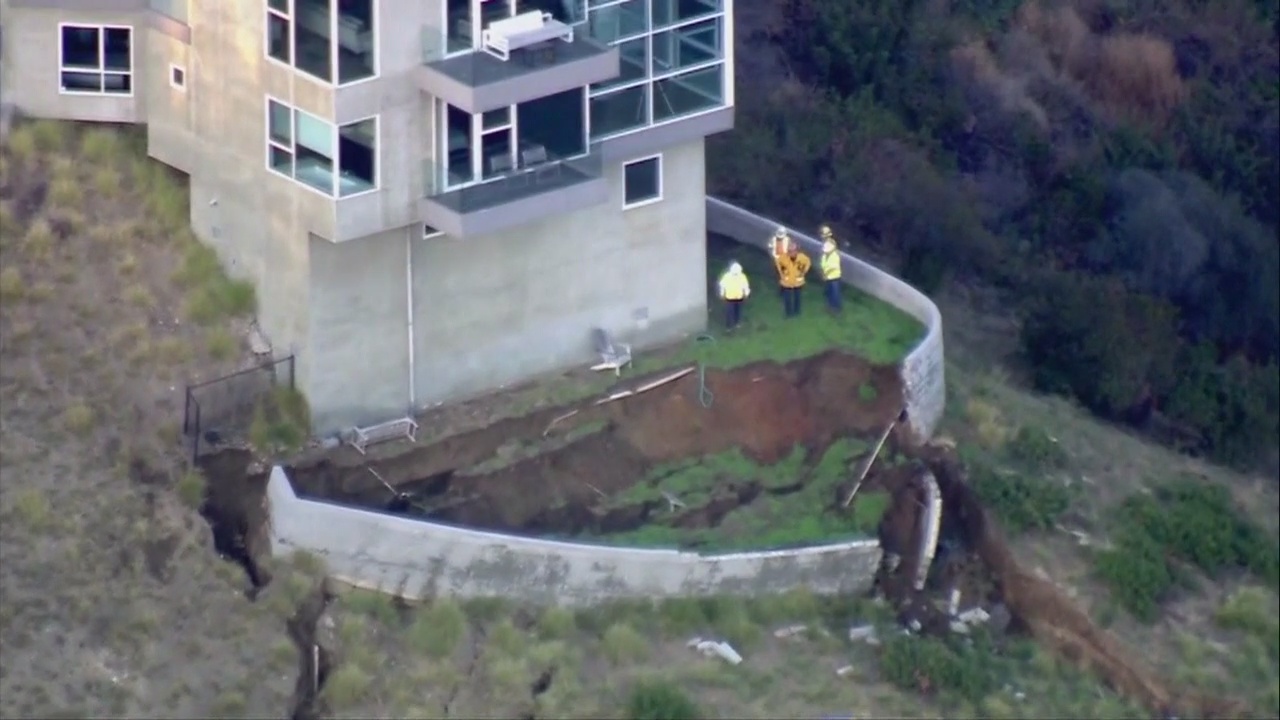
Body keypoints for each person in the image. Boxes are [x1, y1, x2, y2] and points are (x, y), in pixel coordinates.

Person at [774, 243, 811, 318]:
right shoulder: (783, 258)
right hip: (786, 283)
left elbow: (808, 263)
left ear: (797, 251)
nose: (790, 253)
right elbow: (778, 263)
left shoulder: (802, 258)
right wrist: (782, 274)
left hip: (798, 283)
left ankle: (797, 312)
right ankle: (788, 314)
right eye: (789, 251)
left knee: (797, 297)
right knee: (787, 298)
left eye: (792, 251)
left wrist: (803, 272)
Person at [717, 261, 750, 331]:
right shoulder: (727, 276)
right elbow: (722, 286)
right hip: (729, 297)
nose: (736, 275)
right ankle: (728, 326)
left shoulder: (742, 276)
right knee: (729, 312)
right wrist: (722, 294)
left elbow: (745, 286)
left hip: (739, 297)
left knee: (738, 311)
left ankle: (737, 323)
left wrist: (746, 294)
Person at [819, 225, 843, 314]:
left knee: (835, 294)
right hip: (827, 276)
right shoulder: (825, 251)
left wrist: (825, 273)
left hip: (834, 276)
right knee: (829, 293)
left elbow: (833, 266)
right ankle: (830, 307)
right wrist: (823, 272)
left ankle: (837, 310)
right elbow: (823, 262)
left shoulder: (833, 250)